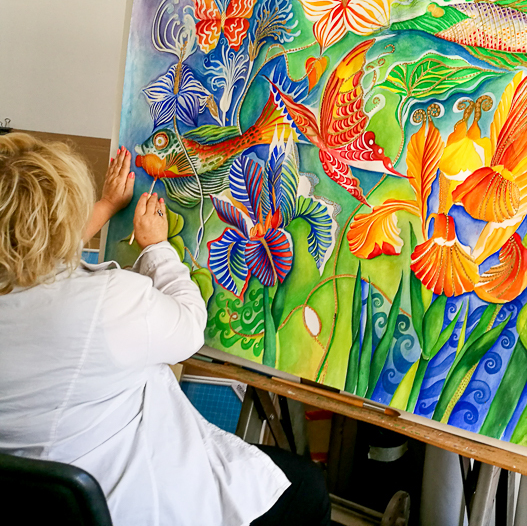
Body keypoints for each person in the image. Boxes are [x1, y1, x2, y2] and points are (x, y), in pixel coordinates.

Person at [0, 133, 330, 526]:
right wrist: (157, 247)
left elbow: (30, 257)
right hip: (126, 500)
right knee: (307, 486)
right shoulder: (104, 303)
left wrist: (105, 207)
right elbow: (189, 326)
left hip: (40, 501)